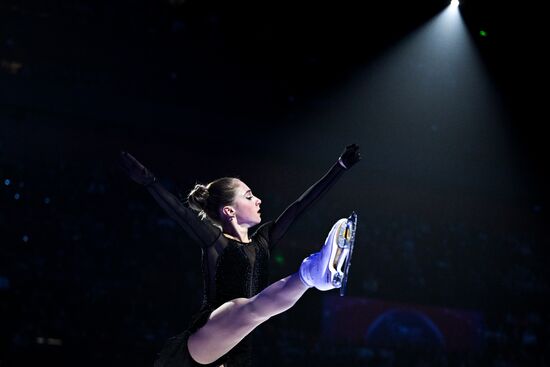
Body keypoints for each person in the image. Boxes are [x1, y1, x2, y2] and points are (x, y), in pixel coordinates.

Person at [119, 145, 361, 367]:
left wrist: (339, 168)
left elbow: (300, 206)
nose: (258, 200)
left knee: (251, 312)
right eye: (248, 196)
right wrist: (149, 181)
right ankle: (310, 273)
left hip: (238, 351)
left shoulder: (264, 240)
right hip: (207, 339)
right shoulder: (216, 241)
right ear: (229, 211)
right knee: (244, 308)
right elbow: (180, 213)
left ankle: (312, 274)